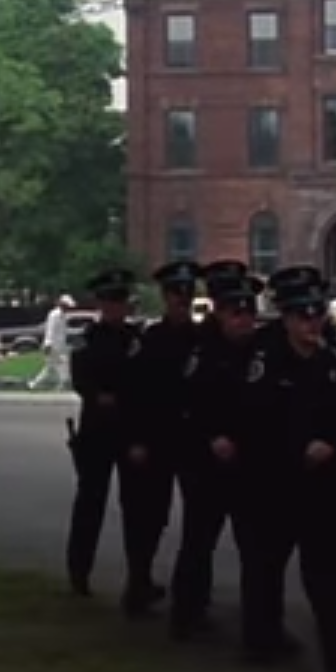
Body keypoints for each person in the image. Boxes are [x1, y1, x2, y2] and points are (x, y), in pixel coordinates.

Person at [235, 267, 336, 665]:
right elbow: (257, 419)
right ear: (288, 318)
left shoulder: (329, 358)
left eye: (319, 315)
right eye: (305, 316)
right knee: (265, 564)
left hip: (316, 485)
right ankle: (261, 637)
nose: (314, 322)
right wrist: (300, 445)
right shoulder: (266, 356)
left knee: (323, 569)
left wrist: (329, 441)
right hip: (271, 479)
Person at [170, 261, 260, 640]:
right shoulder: (202, 349)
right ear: (220, 312)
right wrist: (211, 436)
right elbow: (186, 403)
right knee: (199, 540)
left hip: (249, 462)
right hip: (207, 463)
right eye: (236, 313)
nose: (244, 320)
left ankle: (260, 624)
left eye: (249, 312)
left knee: (256, 548)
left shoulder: (259, 351)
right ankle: (188, 611)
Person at [65, 269, 164, 603]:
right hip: (96, 434)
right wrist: (115, 394)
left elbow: (145, 387)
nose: (115, 308)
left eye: (120, 301)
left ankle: (139, 579)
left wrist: (137, 429)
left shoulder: (139, 340)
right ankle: (79, 572)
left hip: (131, 433)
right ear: (99, 303)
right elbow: (86, 385)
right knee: (89, 504)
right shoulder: (86, 338)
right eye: (109, 301)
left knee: (138, 510)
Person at [115, 260, 207, 618]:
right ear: (166, 297)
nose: (181, 300)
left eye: (187, 295)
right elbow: (133, 396)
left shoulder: (203, 340)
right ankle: (139, 582)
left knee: (199, 523)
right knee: (150, 517)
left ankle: (193, 598)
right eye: (175, 294)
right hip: (156, 439)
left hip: (195, 440)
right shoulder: (149, 341)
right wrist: (135, 440)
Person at [26, 295, 75, 392]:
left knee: (51, 367)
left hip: (59, 346)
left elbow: (63, 331)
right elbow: (50, 330)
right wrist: (48, 344)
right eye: (67, 306)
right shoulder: (54, 315)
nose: (69, 308)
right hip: (52, 346)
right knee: (62, 364)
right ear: (62, 305)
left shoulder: (63, 315)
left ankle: (34, 384)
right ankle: (63, 384)